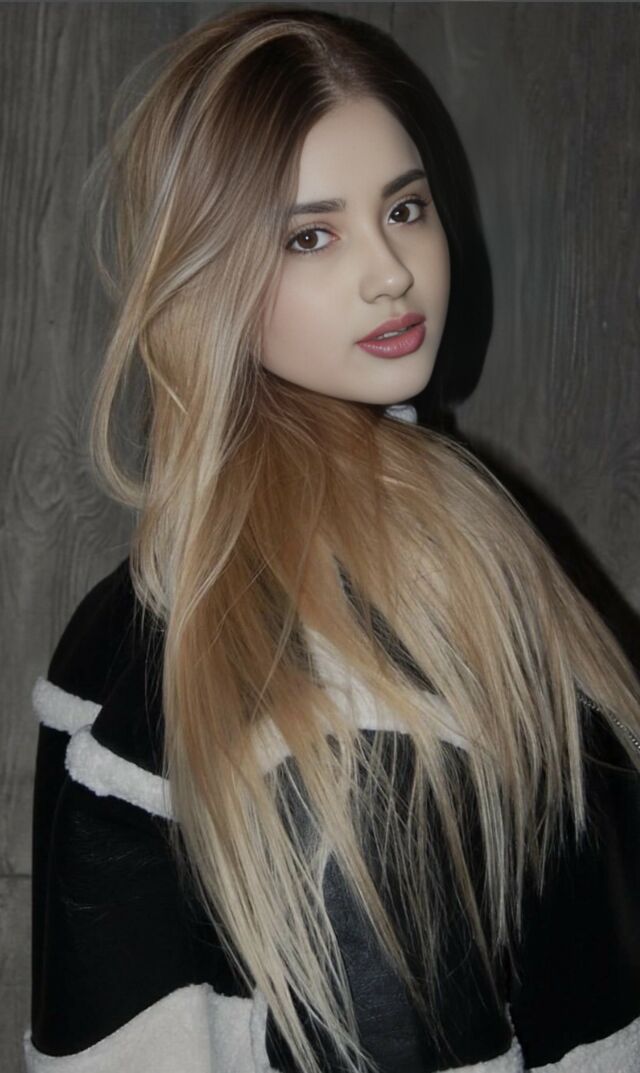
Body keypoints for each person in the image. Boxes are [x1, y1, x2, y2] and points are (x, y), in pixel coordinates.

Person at [25, 5, 640, 1072]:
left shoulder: (168, 591)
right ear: (206, 276)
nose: (391, 270)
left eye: (405, 208)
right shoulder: (344, 660)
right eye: (311, 235)